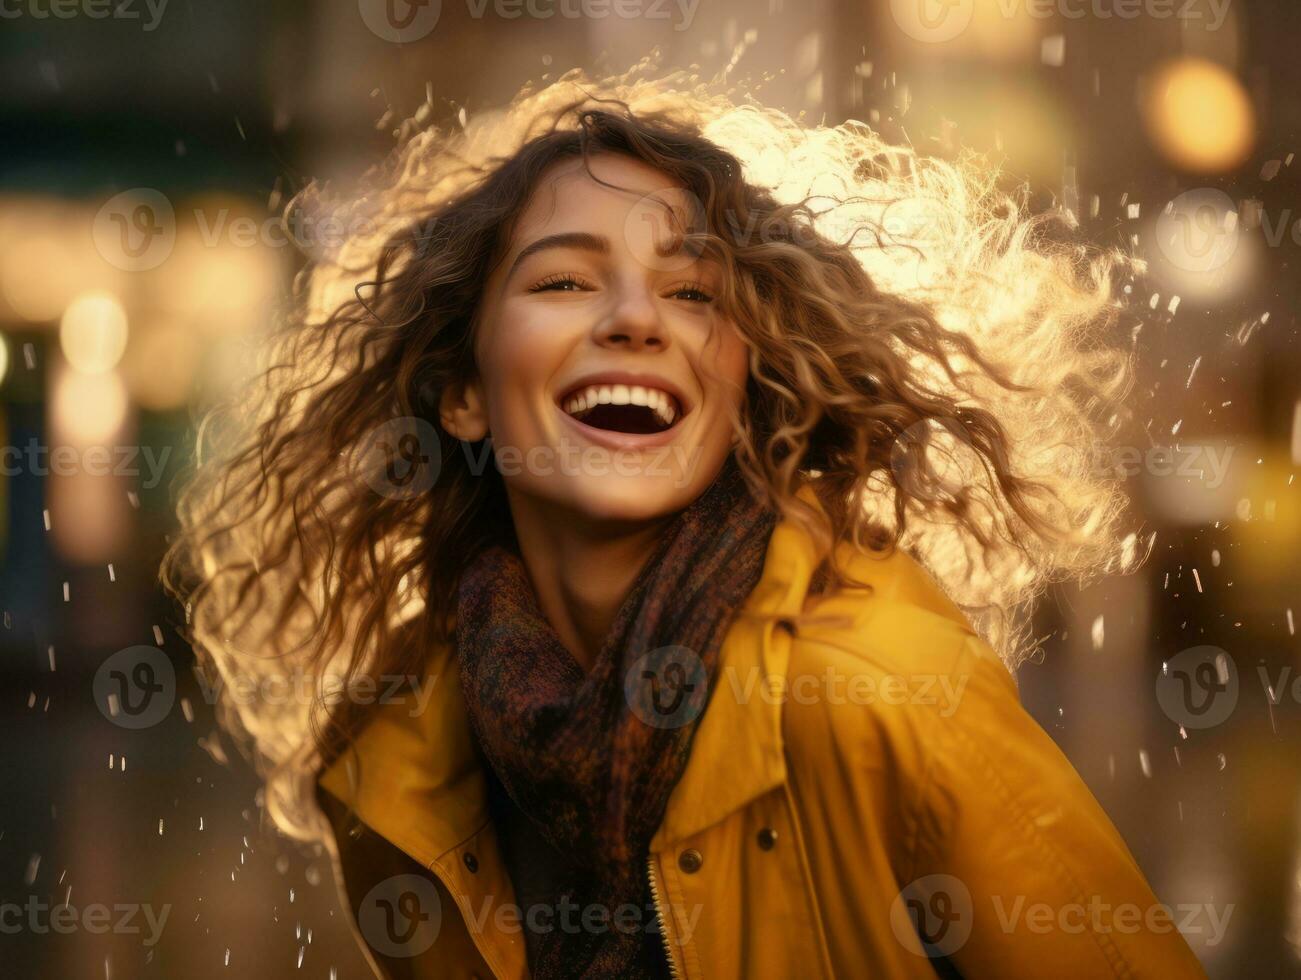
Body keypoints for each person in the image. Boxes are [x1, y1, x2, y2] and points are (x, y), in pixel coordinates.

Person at [164, 74, 1207, 978]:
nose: (634, 316)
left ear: (739, 381)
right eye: (564, 280)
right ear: (462, 393)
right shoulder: (397, 762)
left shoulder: (881, 696)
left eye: (692, 290)